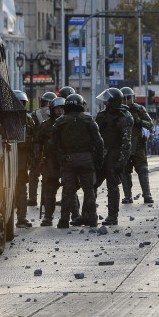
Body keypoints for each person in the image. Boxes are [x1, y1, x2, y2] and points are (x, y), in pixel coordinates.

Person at [50, 93, 103, 228]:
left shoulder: (60, 121)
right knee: (89, 190)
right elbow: (99, 142)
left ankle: (64, 220)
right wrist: (98, 160)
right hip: (86, 159)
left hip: (68, 160)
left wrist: (58, 159)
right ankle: (92, 218)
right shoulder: (88, 120)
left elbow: (52, 143)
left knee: (68, 190)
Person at [95, 88, 133, 226]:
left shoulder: (124, 117)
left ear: (113, 101)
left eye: (108, 100)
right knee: (92, 184)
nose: (105, 102)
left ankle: (112, 216)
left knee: (112, 186)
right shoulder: (101, 115)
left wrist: (121, 162)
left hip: (115, 154)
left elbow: (126, 142)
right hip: (102, 154)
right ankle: (89, 214)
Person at [121, 87, 154, 204]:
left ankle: (147, 194)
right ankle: (127, 196)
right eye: (123, 98)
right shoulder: (118, 111)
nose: (126, 101)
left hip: (138, 144)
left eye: (128, 98)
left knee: (143, 169)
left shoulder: (139, 109)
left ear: (132, 98)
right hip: (123, 145)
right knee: (125, 172)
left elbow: (150, 124)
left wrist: (140, 121)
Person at [36, 96, 65, 226]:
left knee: (69, 190)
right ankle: (48, 217)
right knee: (49, 189)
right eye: (57, 108)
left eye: (62, 108)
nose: (59, 111)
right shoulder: (45, 125)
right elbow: (38, 143)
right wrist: (37, 160)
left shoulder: (69, 122)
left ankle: (73, 215)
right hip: (51, 161)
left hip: (66, 161)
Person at [28, 91, 56, 206]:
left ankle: (41, 198)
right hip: (38, 147)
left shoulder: (56, 118)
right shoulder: (36, 115)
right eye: (46, 102)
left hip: (46, 148)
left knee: (43, 174)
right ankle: (35, 198)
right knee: (35, 173)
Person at [12, 90, 34, 228]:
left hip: (20, 161)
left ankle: (21, 218)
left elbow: (33, 141)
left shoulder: (28, 120)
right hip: (12, 160)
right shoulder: (6, 118)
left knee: (20, 190)